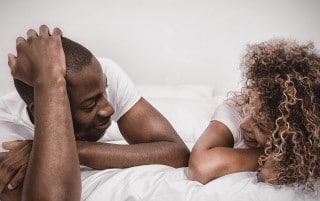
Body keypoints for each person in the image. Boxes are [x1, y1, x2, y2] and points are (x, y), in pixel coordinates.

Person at [0, 25, 189, 201]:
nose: (110, 109)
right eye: (89, 105)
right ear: (39, 109)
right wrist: (50, 82)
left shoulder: (95, 75)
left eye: (105, 91)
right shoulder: (6, 135)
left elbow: (178, 153)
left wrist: (65, 148)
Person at [188, 39, 320, 191]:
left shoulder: (308, 139)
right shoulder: (237, 107)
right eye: (252, 107)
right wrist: (277, 156)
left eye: (260, 126)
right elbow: (202, 167)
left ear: (291, 135)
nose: (244, 124)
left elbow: (268, 175)